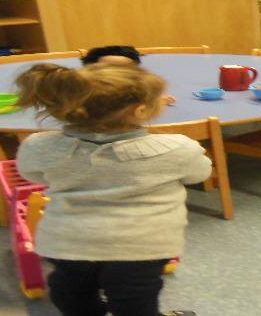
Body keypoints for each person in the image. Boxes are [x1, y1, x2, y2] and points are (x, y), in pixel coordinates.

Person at [14, 63, 211, 316]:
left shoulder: (39, 146)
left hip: (68, 242)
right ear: (140, 111)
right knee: (134, 299)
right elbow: (200, 174)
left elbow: (31, 174)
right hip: (142, 247)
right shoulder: (178, 148)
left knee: (69, 292)